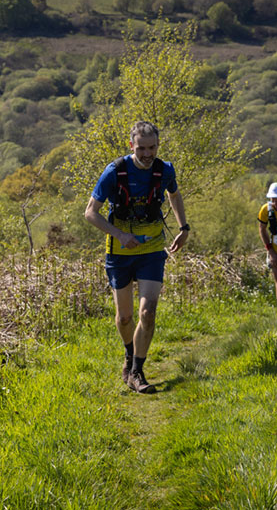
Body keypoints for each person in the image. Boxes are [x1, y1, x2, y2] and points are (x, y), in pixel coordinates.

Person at [84, 121, 190, 394]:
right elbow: (90, 213)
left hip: (153, 250)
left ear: (158, 145)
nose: (146, 153)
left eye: (152, 147)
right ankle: (129, 355)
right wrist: (120, 235)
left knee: (148, 312)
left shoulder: (165, 170)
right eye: (141, 148)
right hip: (120, 251)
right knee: (124, 318)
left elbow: (174, 195)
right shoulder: (115, 171)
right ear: (131, 145)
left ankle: (137, 371)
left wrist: (183, 227)